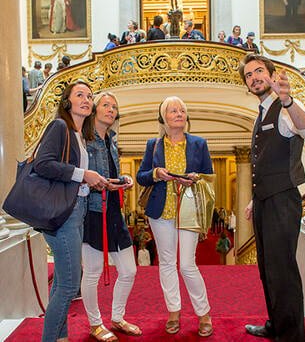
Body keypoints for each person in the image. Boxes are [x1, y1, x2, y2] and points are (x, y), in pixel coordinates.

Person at [239, 54, 305, 341]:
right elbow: (264, 160)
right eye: (248, 75)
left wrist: (288, 101)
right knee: (267, 269)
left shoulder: (286, 108)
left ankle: (291, 336)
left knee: (283, 270)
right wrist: (253, 199)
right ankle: (275, 325)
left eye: (259, 71)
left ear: (271, 74)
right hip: (263, 201)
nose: (254, 77)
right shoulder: (261, 113)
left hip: (283, 201)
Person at [33, 81, 109, 341]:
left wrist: (95, 181)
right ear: (67, 102)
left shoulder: (79, 135)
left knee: (62, 284)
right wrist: (83, 174)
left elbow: (77, 178)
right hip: (63, 213)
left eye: (89, 96)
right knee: (68, 284)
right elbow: (43, 164)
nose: (87, 99)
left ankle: (61, 337)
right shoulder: (60, 126)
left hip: (77, 209)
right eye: (80, 95)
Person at [136, 96, 213, 337]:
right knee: (167, 263)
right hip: (161, 212)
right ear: (164, 117)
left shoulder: (199, 143)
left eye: (182, 110)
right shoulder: (154, 145)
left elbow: (209, 177)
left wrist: (196, 177)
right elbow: (141, 176)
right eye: (173, 110)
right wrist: (157, 173)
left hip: (189, 210)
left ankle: (204, 314)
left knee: (188, 265)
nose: (178, 113)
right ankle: (174, 312)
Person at [81, 92, 141, 341]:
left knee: (129, 270)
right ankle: (96, 324)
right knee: (93, 272)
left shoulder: (112, 140)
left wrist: (123, 180)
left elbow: (110, 174)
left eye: (114, 107)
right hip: (93, 212)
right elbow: (84, 176)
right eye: (105, 105)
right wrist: (100, 183)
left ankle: (117, 318)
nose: (111, 109)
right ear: (94, 110)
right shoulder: (84, 140)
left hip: (114, 211)